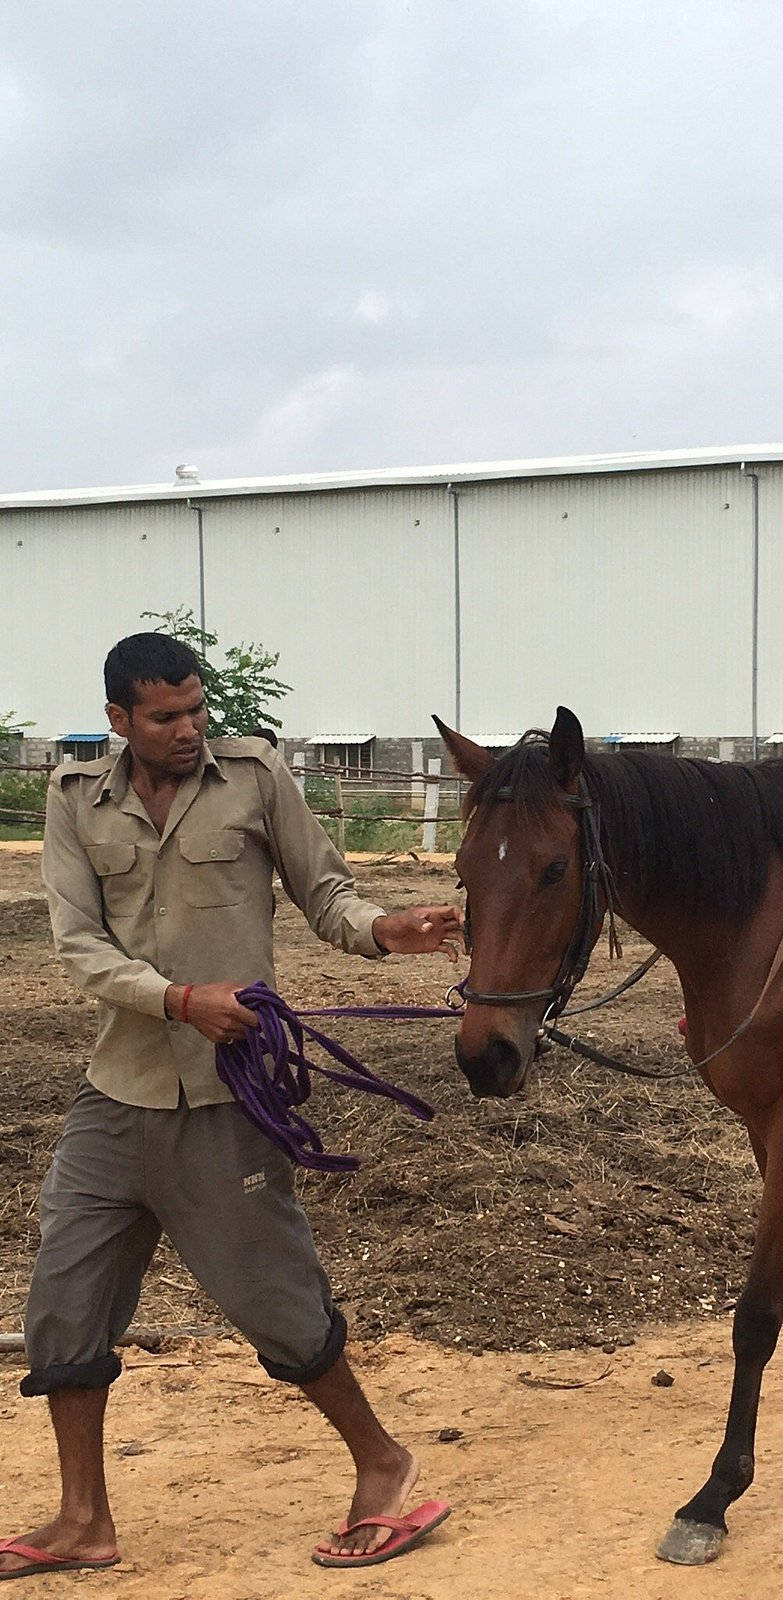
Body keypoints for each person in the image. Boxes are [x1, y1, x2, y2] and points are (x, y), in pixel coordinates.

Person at [1, 633, 463, 1579]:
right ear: (120, 721)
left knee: (276, 1303)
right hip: (114, 1096)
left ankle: (384, 1465)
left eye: (197, 709)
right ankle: (83, 1518)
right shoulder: (72, 800)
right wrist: (178, 1000)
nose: (188, 729)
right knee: (65, 1307)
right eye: (165, 716)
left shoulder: (254, 779)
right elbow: (78, 947)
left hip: (225, 1099)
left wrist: (387, 929)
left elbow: (324, 893)